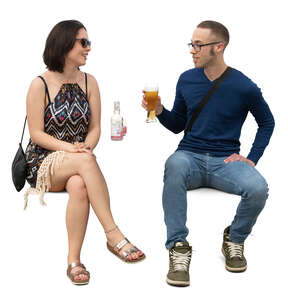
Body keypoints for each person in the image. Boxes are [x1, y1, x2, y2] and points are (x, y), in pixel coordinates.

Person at [142, 20, 274, 287]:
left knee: (258, 187)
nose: (192, 50)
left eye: (198, 45)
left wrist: (251, 158)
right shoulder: (186, 79)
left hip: (226, 162)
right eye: (191, 44)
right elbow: (178, 124)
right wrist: (160, 111)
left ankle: (235, 239)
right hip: (189, 155)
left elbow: (267, 122)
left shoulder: (244, 85)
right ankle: (178, 246)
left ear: (219, 47)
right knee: (174, 164)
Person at [24, 20, 145, 285]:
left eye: (89, 42)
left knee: (79, 185)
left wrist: (85, 147)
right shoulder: (40, 84)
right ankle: (113, 235)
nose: (88, 48)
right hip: (45, 161)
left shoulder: (90, 82)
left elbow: (95, 127)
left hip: (79, 160)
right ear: (64, 43)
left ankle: (73, 262)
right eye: (84, 42)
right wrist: (73, 149)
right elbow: (36, 134)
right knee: (84, 162)